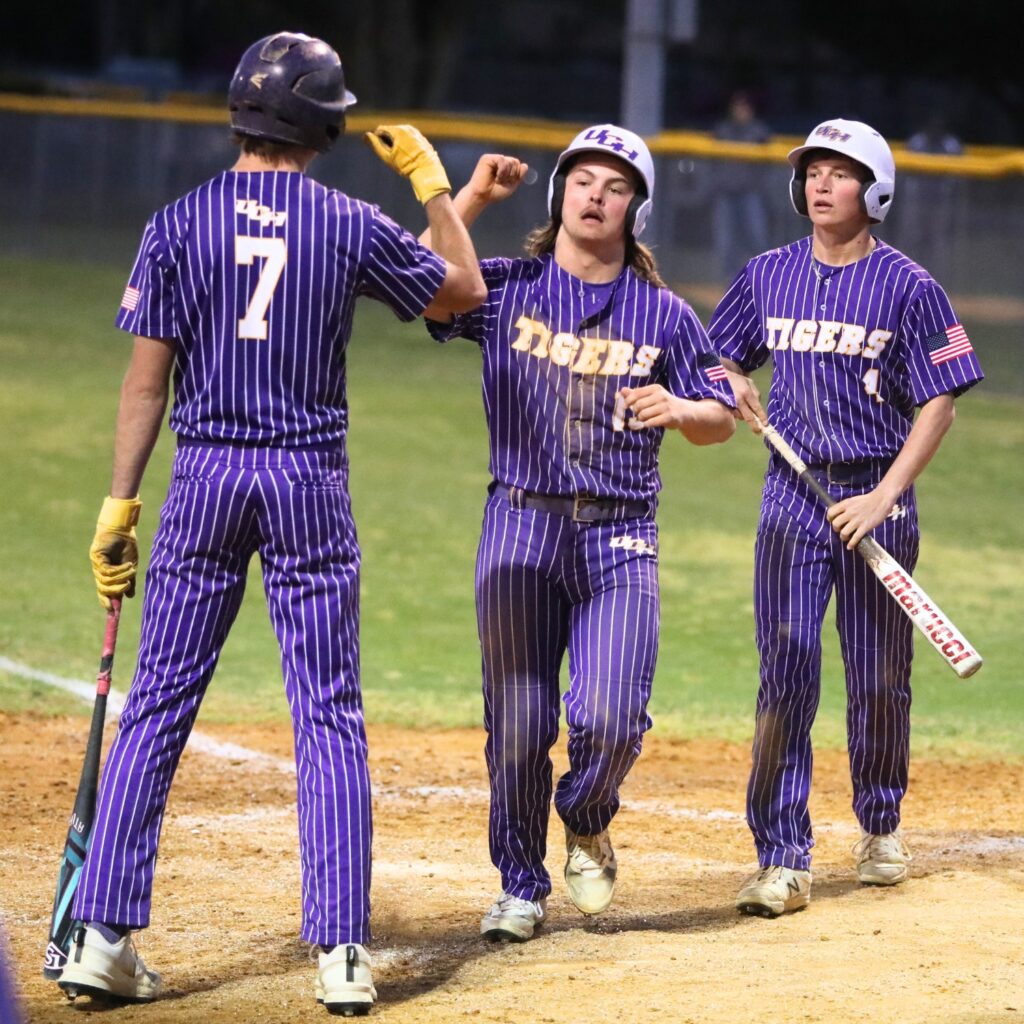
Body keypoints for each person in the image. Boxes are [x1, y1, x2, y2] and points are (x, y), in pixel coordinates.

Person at [56, 31, 486, 1015]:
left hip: (202, 476)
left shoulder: (177, 220)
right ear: (323, 121)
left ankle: (104, 936)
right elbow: (460, 291)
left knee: (158, 699)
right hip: (304, 482)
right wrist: (432, 184)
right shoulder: (346, 219)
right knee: (325, 708)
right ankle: (340, 949)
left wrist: (119, 504)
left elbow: (144, 379)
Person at [421, 125, 736, 941]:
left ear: (636, 208)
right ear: (560, 193)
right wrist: (475, 196)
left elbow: (721, 417)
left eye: (616, 186)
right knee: (519, 725)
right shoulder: (507, 287)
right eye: (583, 180)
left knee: (614, 715)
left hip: (620, 536)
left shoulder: (662, 312)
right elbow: (421, 282)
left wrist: (683, 407)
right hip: (520, 524)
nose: (597, 195)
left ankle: (588, 814)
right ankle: (520, 885)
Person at [708, 118, 984, 917]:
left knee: (879, 680)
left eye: (841, 171)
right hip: (793, 501)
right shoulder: (767, 274)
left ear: (876, 190)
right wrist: (728, 379)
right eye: (813, 171)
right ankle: (780, 854)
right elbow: (714, 353)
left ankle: (880, 822)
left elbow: (940, 403)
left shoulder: (909, 285)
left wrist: (885, 496)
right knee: (786, 670)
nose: (822, 183)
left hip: (876, 499)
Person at [711, 91, 772, 281]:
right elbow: (711, 163)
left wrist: (759, 183)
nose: (741, 111)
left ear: (751, 110)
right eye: (738, 106)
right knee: (726, 242)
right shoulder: (722, 130)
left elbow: (768, 165)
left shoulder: (759, 131)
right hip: (725, 193)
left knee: (757, 237)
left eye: (745, 107)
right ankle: (729, 281)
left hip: (750, 193)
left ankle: (762, 278)